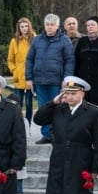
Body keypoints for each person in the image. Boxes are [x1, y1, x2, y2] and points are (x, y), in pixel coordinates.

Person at [25, 13, 75, 144]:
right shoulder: (37, 40)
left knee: (57, 108)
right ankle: (46, 134)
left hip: (56, 81)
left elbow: (70, 60)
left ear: (57, 26)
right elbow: (30, 59)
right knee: (43, 108)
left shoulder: (64, 40)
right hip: (39, 81)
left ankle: (56, 133)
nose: (49, 27)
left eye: (52, 25)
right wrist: (29, 78)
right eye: (47, 24)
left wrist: (66, 78)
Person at [7, 17, 36, 124]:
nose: (24, 29)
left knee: (29, 103)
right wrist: (14, 71)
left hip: (31, 77)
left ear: (30, 26)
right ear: (18, 28)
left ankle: (28, 124)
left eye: (26, 26)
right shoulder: (14, 42)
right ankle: (18, 125)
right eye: (22, 26)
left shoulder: (35, 40)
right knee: (17, 103)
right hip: (18, 77)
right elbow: (10, 60)